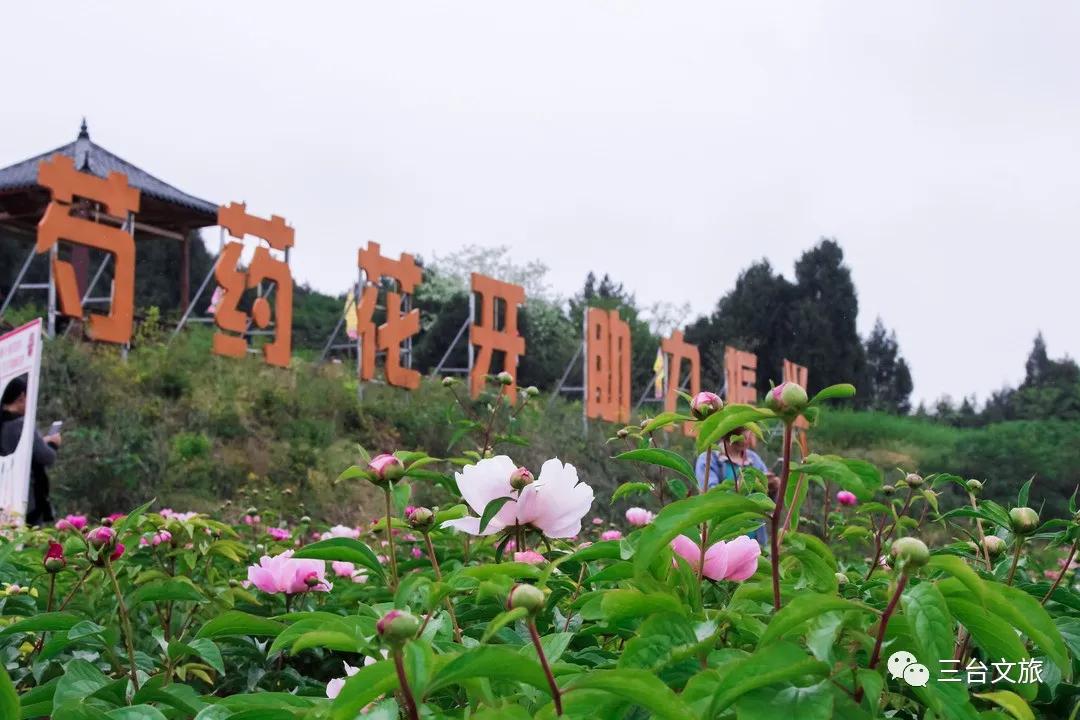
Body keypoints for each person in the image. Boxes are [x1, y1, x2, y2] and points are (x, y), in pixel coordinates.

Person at [695, 426, 777, 546]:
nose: (747, 440)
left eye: (749, 435)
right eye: (743, 436)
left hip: (754, 538)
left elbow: (767, 502)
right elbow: (712, 495)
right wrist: (741, 487)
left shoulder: (754, 459)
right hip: (723, 537)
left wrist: (772, 487)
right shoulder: (709, 459)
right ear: (728, 434)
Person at [0, 375, 59, 526]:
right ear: (21, 397)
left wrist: (41, 441)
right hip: (28, 497)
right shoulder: (21, 425)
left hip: (5, 496)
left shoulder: (4, 423)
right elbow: (47, 457)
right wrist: (53, 444)